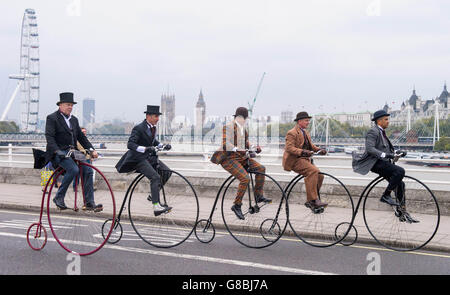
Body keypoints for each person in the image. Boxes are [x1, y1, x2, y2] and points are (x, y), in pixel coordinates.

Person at [352, 109, 418, 223]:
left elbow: (385, 149)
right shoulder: (373, 131)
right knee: (400, 171)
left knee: (400, 184)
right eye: (386, 119)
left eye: (388, 119)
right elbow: (370, 149)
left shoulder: (382, 132)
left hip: (382, 162)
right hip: (374, 163)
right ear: (379, 121)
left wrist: (398, 152)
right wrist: (386, 155)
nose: (388, 122)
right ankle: (386, 195)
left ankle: (402, 212)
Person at [210, 107, 270, 220]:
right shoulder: (228, 127)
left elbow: (246, 143)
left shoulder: (243, 129)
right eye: (245, 118)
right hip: (229, 158)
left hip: (241, 158)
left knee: (261, 168)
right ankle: (237, 205)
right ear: (239, 117)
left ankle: (258, 196)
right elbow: (225, 143)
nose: (245, 120)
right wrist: (237, 149)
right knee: (245, 179)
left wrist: (254, 148)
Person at [45, 92, 101, 211]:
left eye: (71, 105)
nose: (70, 107)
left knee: (88, 170)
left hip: (72, 152)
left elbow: (82, 138)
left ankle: (89, 202)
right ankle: (59, 197)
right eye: (67, 104)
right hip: (58, 153)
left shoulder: (74, 120)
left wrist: (92, 150)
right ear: (60, 105)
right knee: (73, 169)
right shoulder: (52, 118)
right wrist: (57, 151)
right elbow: (49, 138)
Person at [116, 105, 172, 216]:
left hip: (149, 158)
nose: (158, 119)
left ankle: (153, 195)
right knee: (155, 177)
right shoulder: (139, 128)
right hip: (138, 159)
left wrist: (163, 145)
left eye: (158, 116)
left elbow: (153, 141)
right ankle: (156, 206)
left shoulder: (152, 127)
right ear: (148, 116)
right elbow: (130, 144)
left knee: (167, 172)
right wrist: (145, 149)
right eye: (156, 116)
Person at [282, 112, 328, 210]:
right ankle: (312, 200)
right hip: (295, 160)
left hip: (304, 160)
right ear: (299, 121)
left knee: (320, 175)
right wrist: (302, 152)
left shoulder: (305, 132)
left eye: (308, 121)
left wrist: (319, 150)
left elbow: (311, 146)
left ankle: (313, 199)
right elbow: (289, 148)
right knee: (313, 171)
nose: (308, 122)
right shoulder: (292, 132)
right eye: (306, 120)